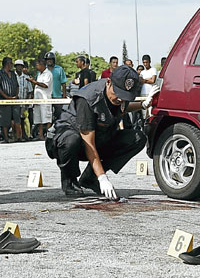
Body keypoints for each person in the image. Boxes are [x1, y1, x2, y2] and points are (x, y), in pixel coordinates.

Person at [49, 65, 158, 198]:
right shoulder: (88, 99)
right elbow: (89, 143)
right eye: (118, 94)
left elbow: (121, 108)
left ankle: (90, 178)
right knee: (71, 141)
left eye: (125, 96)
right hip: (71, 139)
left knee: (137, 138)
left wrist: (143, 104)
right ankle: (69, 180)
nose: (121, 99)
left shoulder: (119, 97)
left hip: (99, 137)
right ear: (108, 82)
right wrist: (103, 177)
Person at [0, 57, 21, 143]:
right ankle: (6, 138)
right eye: (11, 63)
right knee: (5, 120)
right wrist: (6, 97)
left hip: (14, 99)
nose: (12, 65)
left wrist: (16, 96)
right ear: (7, 64)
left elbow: (17, 85)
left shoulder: (13, 74)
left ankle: (18, 137)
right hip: (4, 100)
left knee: (17, 119)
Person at [29, 58, 52, 140]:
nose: (36, 67)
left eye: (37, 65)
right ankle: (40, 135)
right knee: (39, 119)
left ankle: (49, 135)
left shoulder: (48, 74)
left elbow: (45, 85)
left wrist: (34, 82)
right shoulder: (39, 74)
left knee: (47, 118)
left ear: (42, 65)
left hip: (45, 99)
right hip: (38, 99)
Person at [44, 52, 67, 120]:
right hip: (46, 96)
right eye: (48, 59)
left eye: (51, 59)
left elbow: (63, 83)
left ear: (54, 60)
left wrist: (64, 96)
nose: (49, 61)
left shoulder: (59, 69)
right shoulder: (43, 70)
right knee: (47, 116)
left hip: (57, 96)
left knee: (59, 115)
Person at [14, 59, 32, 140]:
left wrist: (27, 102)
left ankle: (25, 135)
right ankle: (16, 136)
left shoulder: (26, 78)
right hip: (14, 102)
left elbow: (30, 91)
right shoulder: (12, 76)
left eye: (21, 66)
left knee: (23, 119)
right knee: (15, 120)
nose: (19, 67)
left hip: (24, 102)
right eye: (17, 66)